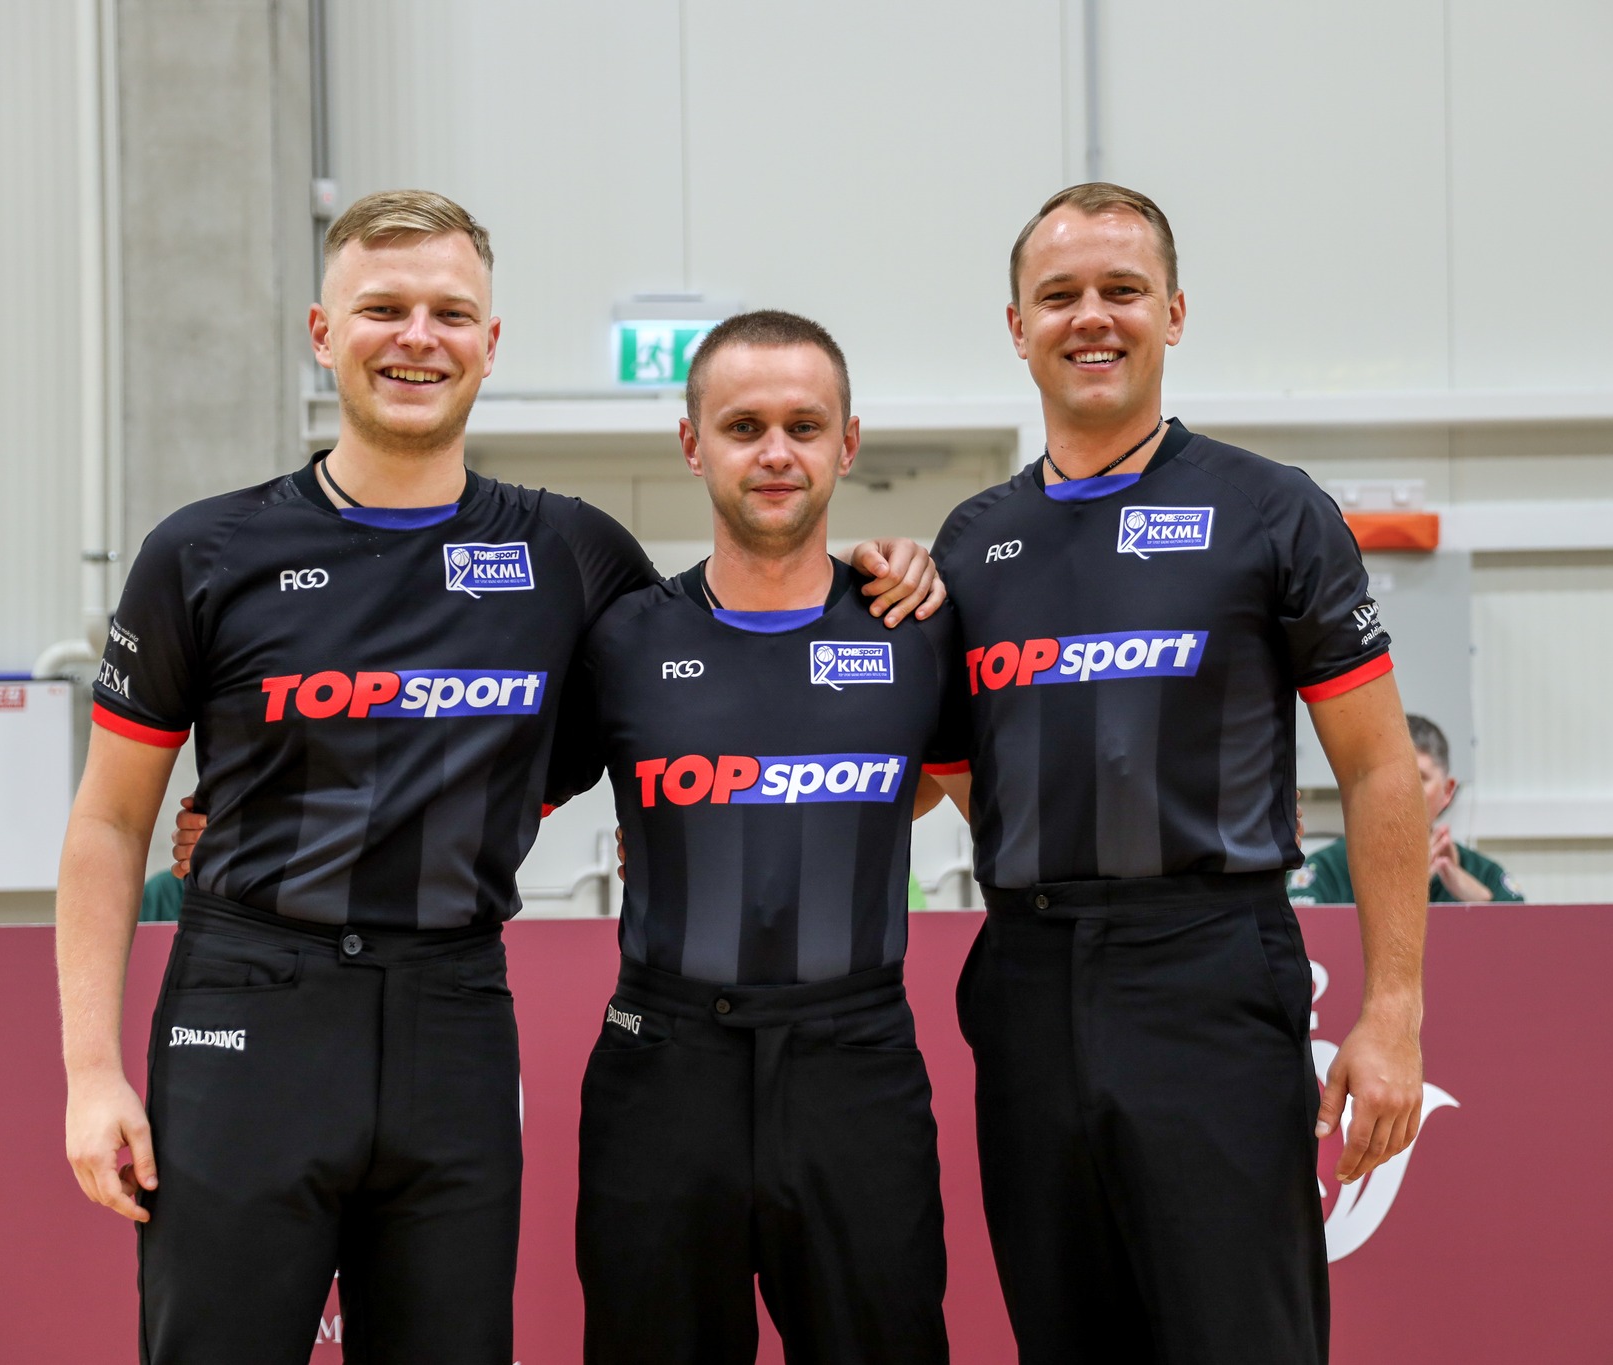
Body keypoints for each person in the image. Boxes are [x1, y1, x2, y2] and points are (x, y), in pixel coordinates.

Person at [57, 190, 939, 1365]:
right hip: (250, 1006)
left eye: (449, 312)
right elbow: (110, 823)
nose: (417, 337)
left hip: (453, 1016)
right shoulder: (205, 551)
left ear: (490, 340)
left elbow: (725, 687)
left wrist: (880, 573)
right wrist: (90, 1073)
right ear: (322, 334)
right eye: (383, 309)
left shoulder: (572, 555)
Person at [922, 182, 1429, 1364]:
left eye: (1122, 290)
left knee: (1238, 1336)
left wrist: (1392, 1013)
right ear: (1016, 327)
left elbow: (1377, 770)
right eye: (1059, 295)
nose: (1090, 317)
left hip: (1209, 971)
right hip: (1027, 980)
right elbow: (943, 770)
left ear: (1173, 312)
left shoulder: (1269, 511)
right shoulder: (970, 543)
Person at [558, 310, 967, 1363]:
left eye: (803, 425)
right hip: (660, 1073)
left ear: (848, 442)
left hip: (856, 1071)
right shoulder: (619, 639)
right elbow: (482, 789)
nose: (776, 452)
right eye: (743, 426)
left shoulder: (915, 628)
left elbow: (953, 796)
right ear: (692, 444)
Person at [1292, 714, 1523, 906]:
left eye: (1420, 778)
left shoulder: (1482, 874)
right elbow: (1305, 935)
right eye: (1392, 778)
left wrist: (1477, 899)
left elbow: (1523, 935)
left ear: (1447, 791)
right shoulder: (1328, 869)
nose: (1404, 791)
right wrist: (1402, 888)